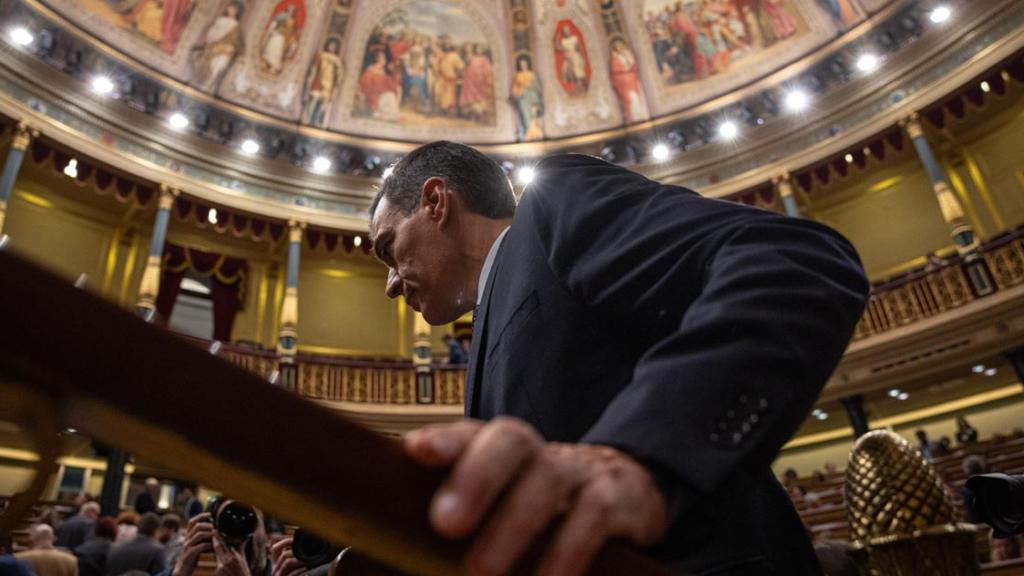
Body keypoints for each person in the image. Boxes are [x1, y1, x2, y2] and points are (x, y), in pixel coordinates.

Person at [368, 142, 868, 574]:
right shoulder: (484, 319)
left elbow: (792, 260)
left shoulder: (549, 208)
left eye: (389, 249)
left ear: (436, 201)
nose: (390, 285)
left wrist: (644, 459)